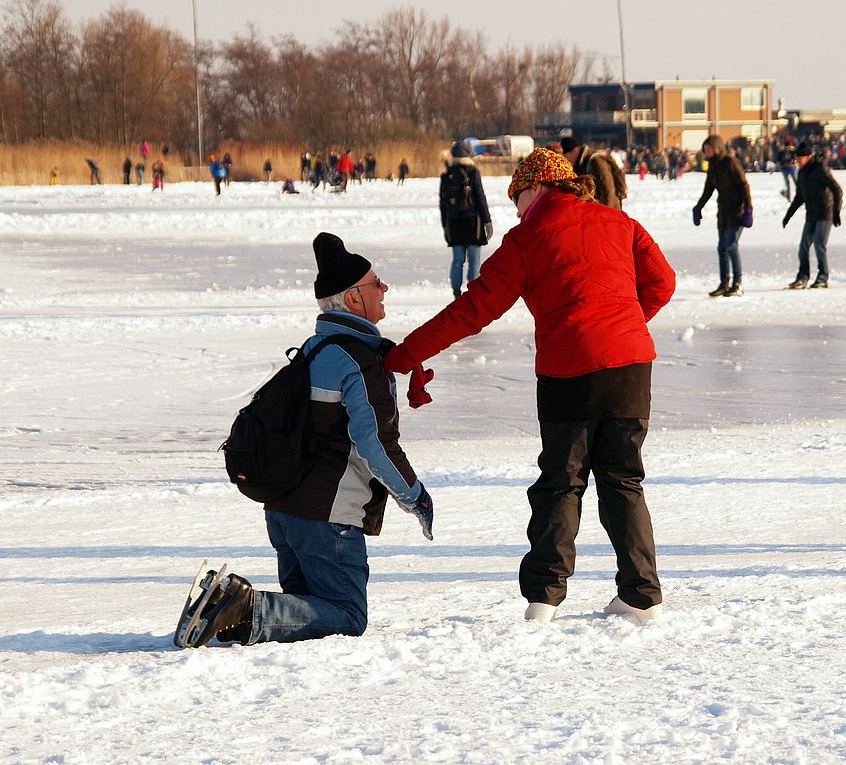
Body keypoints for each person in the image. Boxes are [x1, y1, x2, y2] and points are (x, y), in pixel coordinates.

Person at [384, 148, 676, 624]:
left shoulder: (527, 239)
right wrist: (619, 325)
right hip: (630, 367)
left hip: (568, 374)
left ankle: (543, 599)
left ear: (537, 188)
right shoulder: (620, 223)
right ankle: (642, 598)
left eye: (517, 197)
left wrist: (403, 356)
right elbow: (662, 282)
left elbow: (472, 310)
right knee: (623, 482)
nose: (515, 210)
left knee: (561, 482)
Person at [179, 232, 434, 648]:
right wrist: (415, 496)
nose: (384, 289)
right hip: (326, 518)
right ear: (354, 298)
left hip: (283, 511)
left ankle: (220, 612)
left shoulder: (317, 349)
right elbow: (375, 444)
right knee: (347, 616)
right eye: (376, 283)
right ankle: (245, 608)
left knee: (306, 616)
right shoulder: (359, 360)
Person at [693, 135, 753, 298]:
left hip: (737, 212)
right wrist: (699, 207)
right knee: (722, 249)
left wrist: (748, 210)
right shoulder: (712, 166)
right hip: (723, 213)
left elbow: (744, 186)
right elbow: (708, 189)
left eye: (709, 148)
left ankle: (737, 284)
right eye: (704, 149)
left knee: (731, 246)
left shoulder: (731, 163)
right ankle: (724, 283)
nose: (706, 152)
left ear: (717, 148)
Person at [782, 141, 843, 290]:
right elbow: (799, 197)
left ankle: (823, 277)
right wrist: (788, 215)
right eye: (796, 158)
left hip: (825, 213)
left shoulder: (820, 168)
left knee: (819, 245)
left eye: (799, 158)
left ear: (808, 157)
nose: (797, 161)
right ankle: (803, 277)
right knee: (803, 246)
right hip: (811, 215)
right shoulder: (802, 172)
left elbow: (837, 190)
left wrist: (836, 212)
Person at [440, 141, 493, 298]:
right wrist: (487, 221)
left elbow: (442, 203)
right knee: (474, 260)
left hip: (454, 223)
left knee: (457, 260)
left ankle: (456, 290)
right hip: (472, 222)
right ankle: (473, 291)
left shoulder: (446, 175)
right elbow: (480, 197)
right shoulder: (473, 172)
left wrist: (445, 224)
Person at [559, 136, 627, 209]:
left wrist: (606, 214)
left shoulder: (595, 160)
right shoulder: (582, 164)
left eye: (566, 156)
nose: (567, 160)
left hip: (609, 210)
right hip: (600, 210)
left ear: (574, 151)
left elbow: (608, 190)